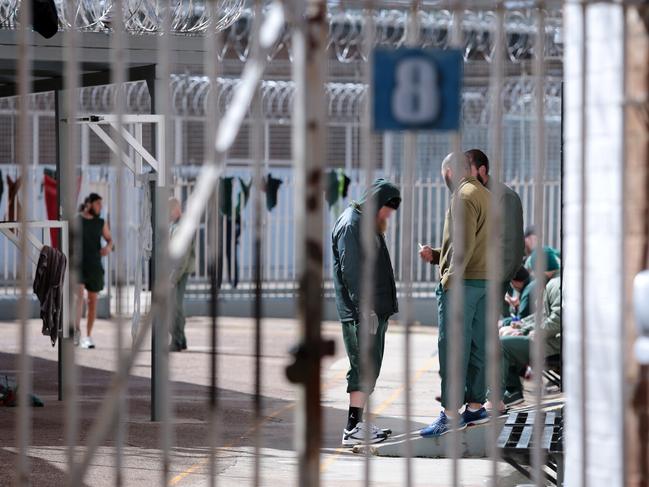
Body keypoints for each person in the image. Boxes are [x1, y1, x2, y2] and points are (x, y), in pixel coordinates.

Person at [418, 152, 492, 437]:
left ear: (449, 171)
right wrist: (438, 256)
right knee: (477, 346)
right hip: (485, 281)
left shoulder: (462, 196)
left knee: (452, 347)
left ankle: (450, 414)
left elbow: (463, 245)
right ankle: (475, 406)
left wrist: (448, 278)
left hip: (463, 284)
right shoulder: (485, 195)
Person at [332, 178, 401, 446]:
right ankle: (352, 427)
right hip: (362, 313)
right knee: (362, 366)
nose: (389, 215)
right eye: (387, 209)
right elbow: (352, 272)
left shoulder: (366, 222)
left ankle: (359, 422)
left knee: (369, 365)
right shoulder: (352, 224)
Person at [492, 247, 561, 409]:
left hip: (551, 343)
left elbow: (557, 319)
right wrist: (522, 326)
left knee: (501, 345)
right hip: (549, 339)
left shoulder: (555, 285)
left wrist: (534, 332)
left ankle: (513, 391)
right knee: (505, 340)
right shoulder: (554, 283)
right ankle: (512, 390)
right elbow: (543, 315)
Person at [465, 149, 524, 316]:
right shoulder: (471, 195)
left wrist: (495, 282)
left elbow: (512, 246)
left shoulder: (504, 197)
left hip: (489, 281)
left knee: (483, 333)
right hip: (473, 279)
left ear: (482, 170)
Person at [76, 193, 113, 349]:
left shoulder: (101, 222)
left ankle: (88, 336)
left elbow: (110, 240)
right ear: (89, 204)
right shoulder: (76, 220)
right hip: (77, 265)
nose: (100, 207)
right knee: (78, 297)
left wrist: (108, 247)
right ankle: (75, 333)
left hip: (94, 266)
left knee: (92, 302)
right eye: (98, 204)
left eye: (101, 204)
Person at [169, 197, 196, 352]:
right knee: (174, 306)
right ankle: (181, 339)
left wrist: (173, 277)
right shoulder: (173, 225)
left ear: (177, 209)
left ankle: (177, 340)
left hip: (180, 271)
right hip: (173, 270)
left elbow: (183, 256)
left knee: (176, 306)